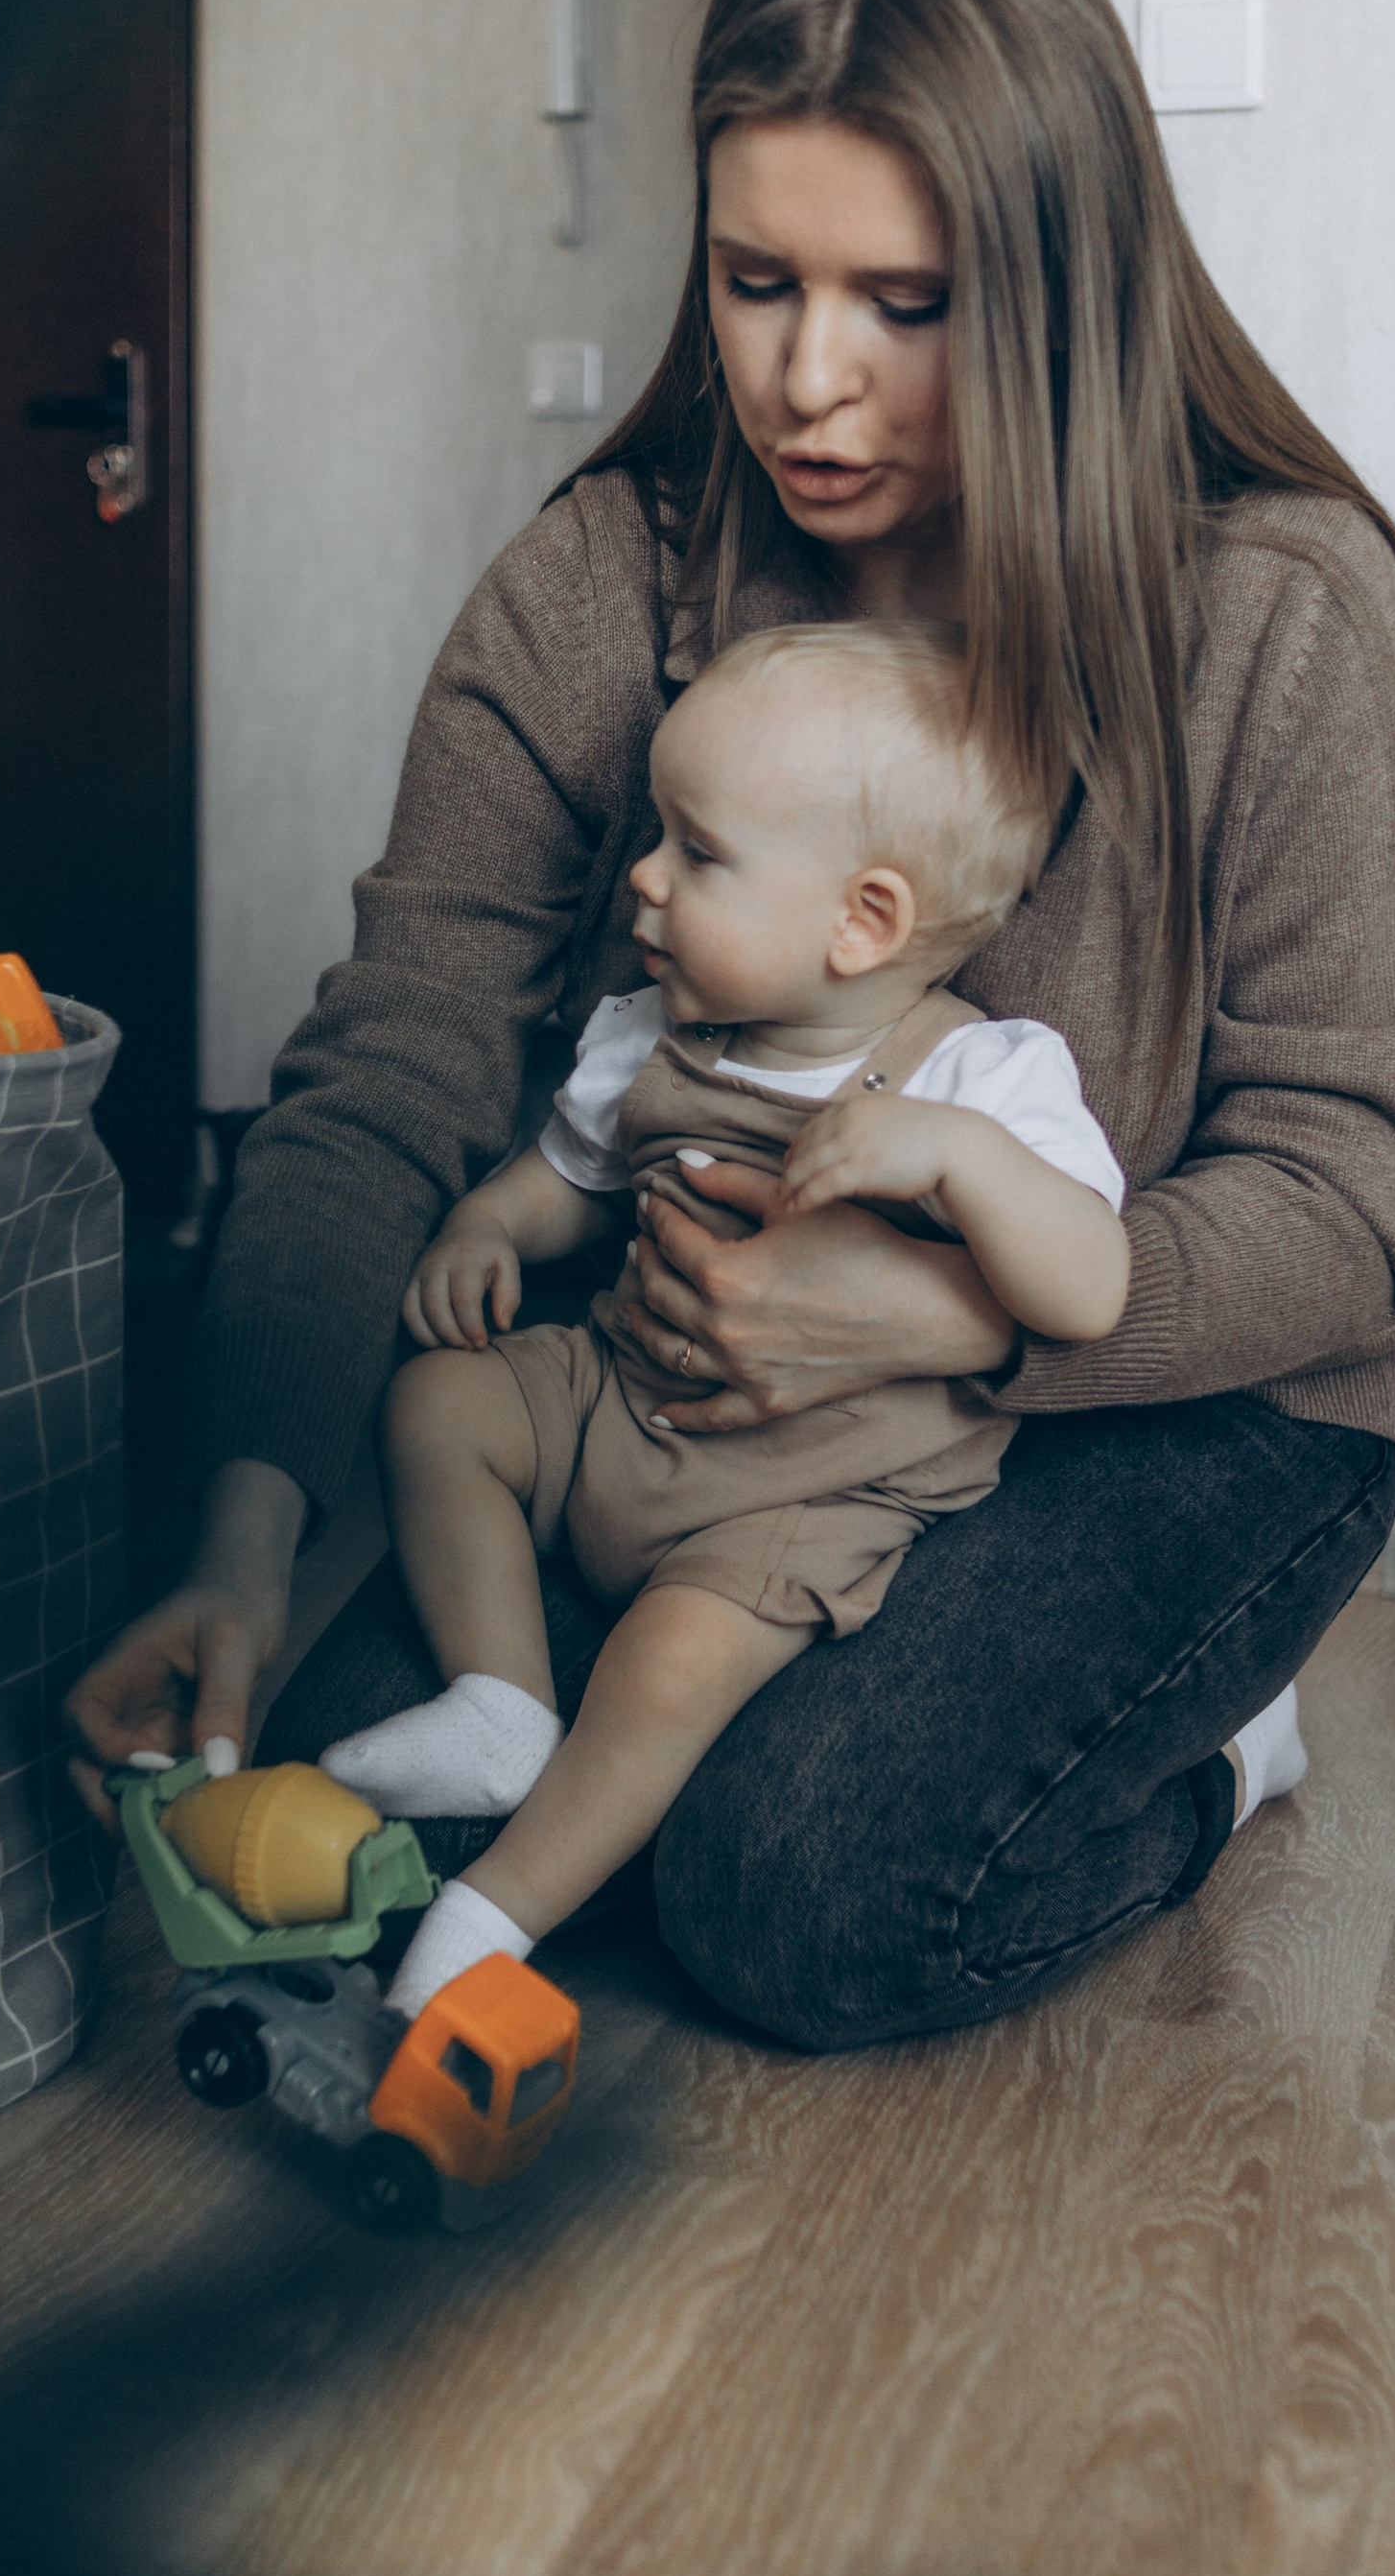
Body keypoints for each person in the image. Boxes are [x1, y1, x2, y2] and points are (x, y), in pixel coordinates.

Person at [69, 0, 1395, 2051]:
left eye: (905, 302)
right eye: (756, 282)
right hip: (703, 1403)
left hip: (1192, 1401)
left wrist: (959, 1317)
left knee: (790, 1893)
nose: (809, 380)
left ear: (1062, 293)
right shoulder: (607, 580)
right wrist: (239, 1540)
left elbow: (1349, 1207)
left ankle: (1220, 1749)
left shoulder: (1285, 611)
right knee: (373, 1822)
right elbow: (396, 1057)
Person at [331, 617, 1133, 2021]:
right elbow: (566, 1178)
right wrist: (488, 1228)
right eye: (660, 833)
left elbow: (1092, 1288)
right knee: (439, 1401)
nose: (642, 876)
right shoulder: (654, 1030)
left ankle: (489, 1918)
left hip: (798, 1496)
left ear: (863, 920)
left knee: (670, 1673)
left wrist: (962, 1164)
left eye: (696, 854)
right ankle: (500, 1703)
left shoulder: (982, 1081)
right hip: (617, 1399)